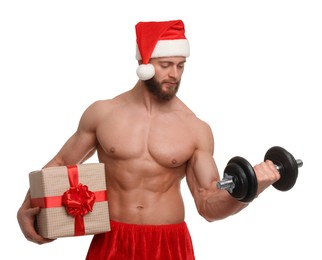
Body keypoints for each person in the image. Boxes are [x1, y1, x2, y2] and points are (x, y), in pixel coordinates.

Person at [17, 20, 280, 260]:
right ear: (144, 63)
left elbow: (208, 204)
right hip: (112, 239)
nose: (174, 74)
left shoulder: (195, 128)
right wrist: (25, 208)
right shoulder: (103, 113)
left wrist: (251, 189)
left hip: (168, 242)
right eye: (165, 65)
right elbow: (63, 162)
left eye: (180, 65)